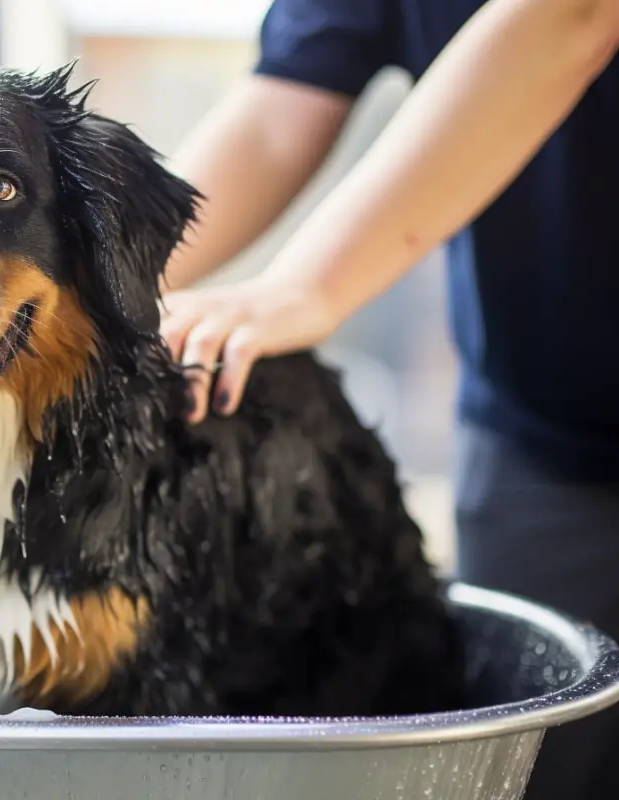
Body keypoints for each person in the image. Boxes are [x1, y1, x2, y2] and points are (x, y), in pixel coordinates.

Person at [157, 0, 619, 798]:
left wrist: (304, 287)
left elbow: (571, 17)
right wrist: (94, 288)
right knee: (537, 773)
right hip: (538, 427)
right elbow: (281, 108)